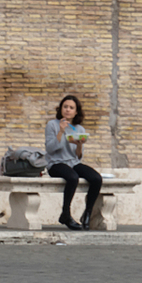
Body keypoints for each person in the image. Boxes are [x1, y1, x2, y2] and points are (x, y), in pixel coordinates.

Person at [44, 95, 102, 230]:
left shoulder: (79, 129)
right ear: (61, 109)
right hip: (55, 163)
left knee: (96, 178)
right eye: (65, 107)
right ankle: (66, 213)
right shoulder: (52, 125)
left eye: (71, 108)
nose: (68, 110)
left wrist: (79, 145)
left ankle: (87, 214)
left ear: (76, 112)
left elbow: (78, 157)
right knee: (72, 177)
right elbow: (51, 149)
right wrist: (61, 131)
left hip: (73, 163)